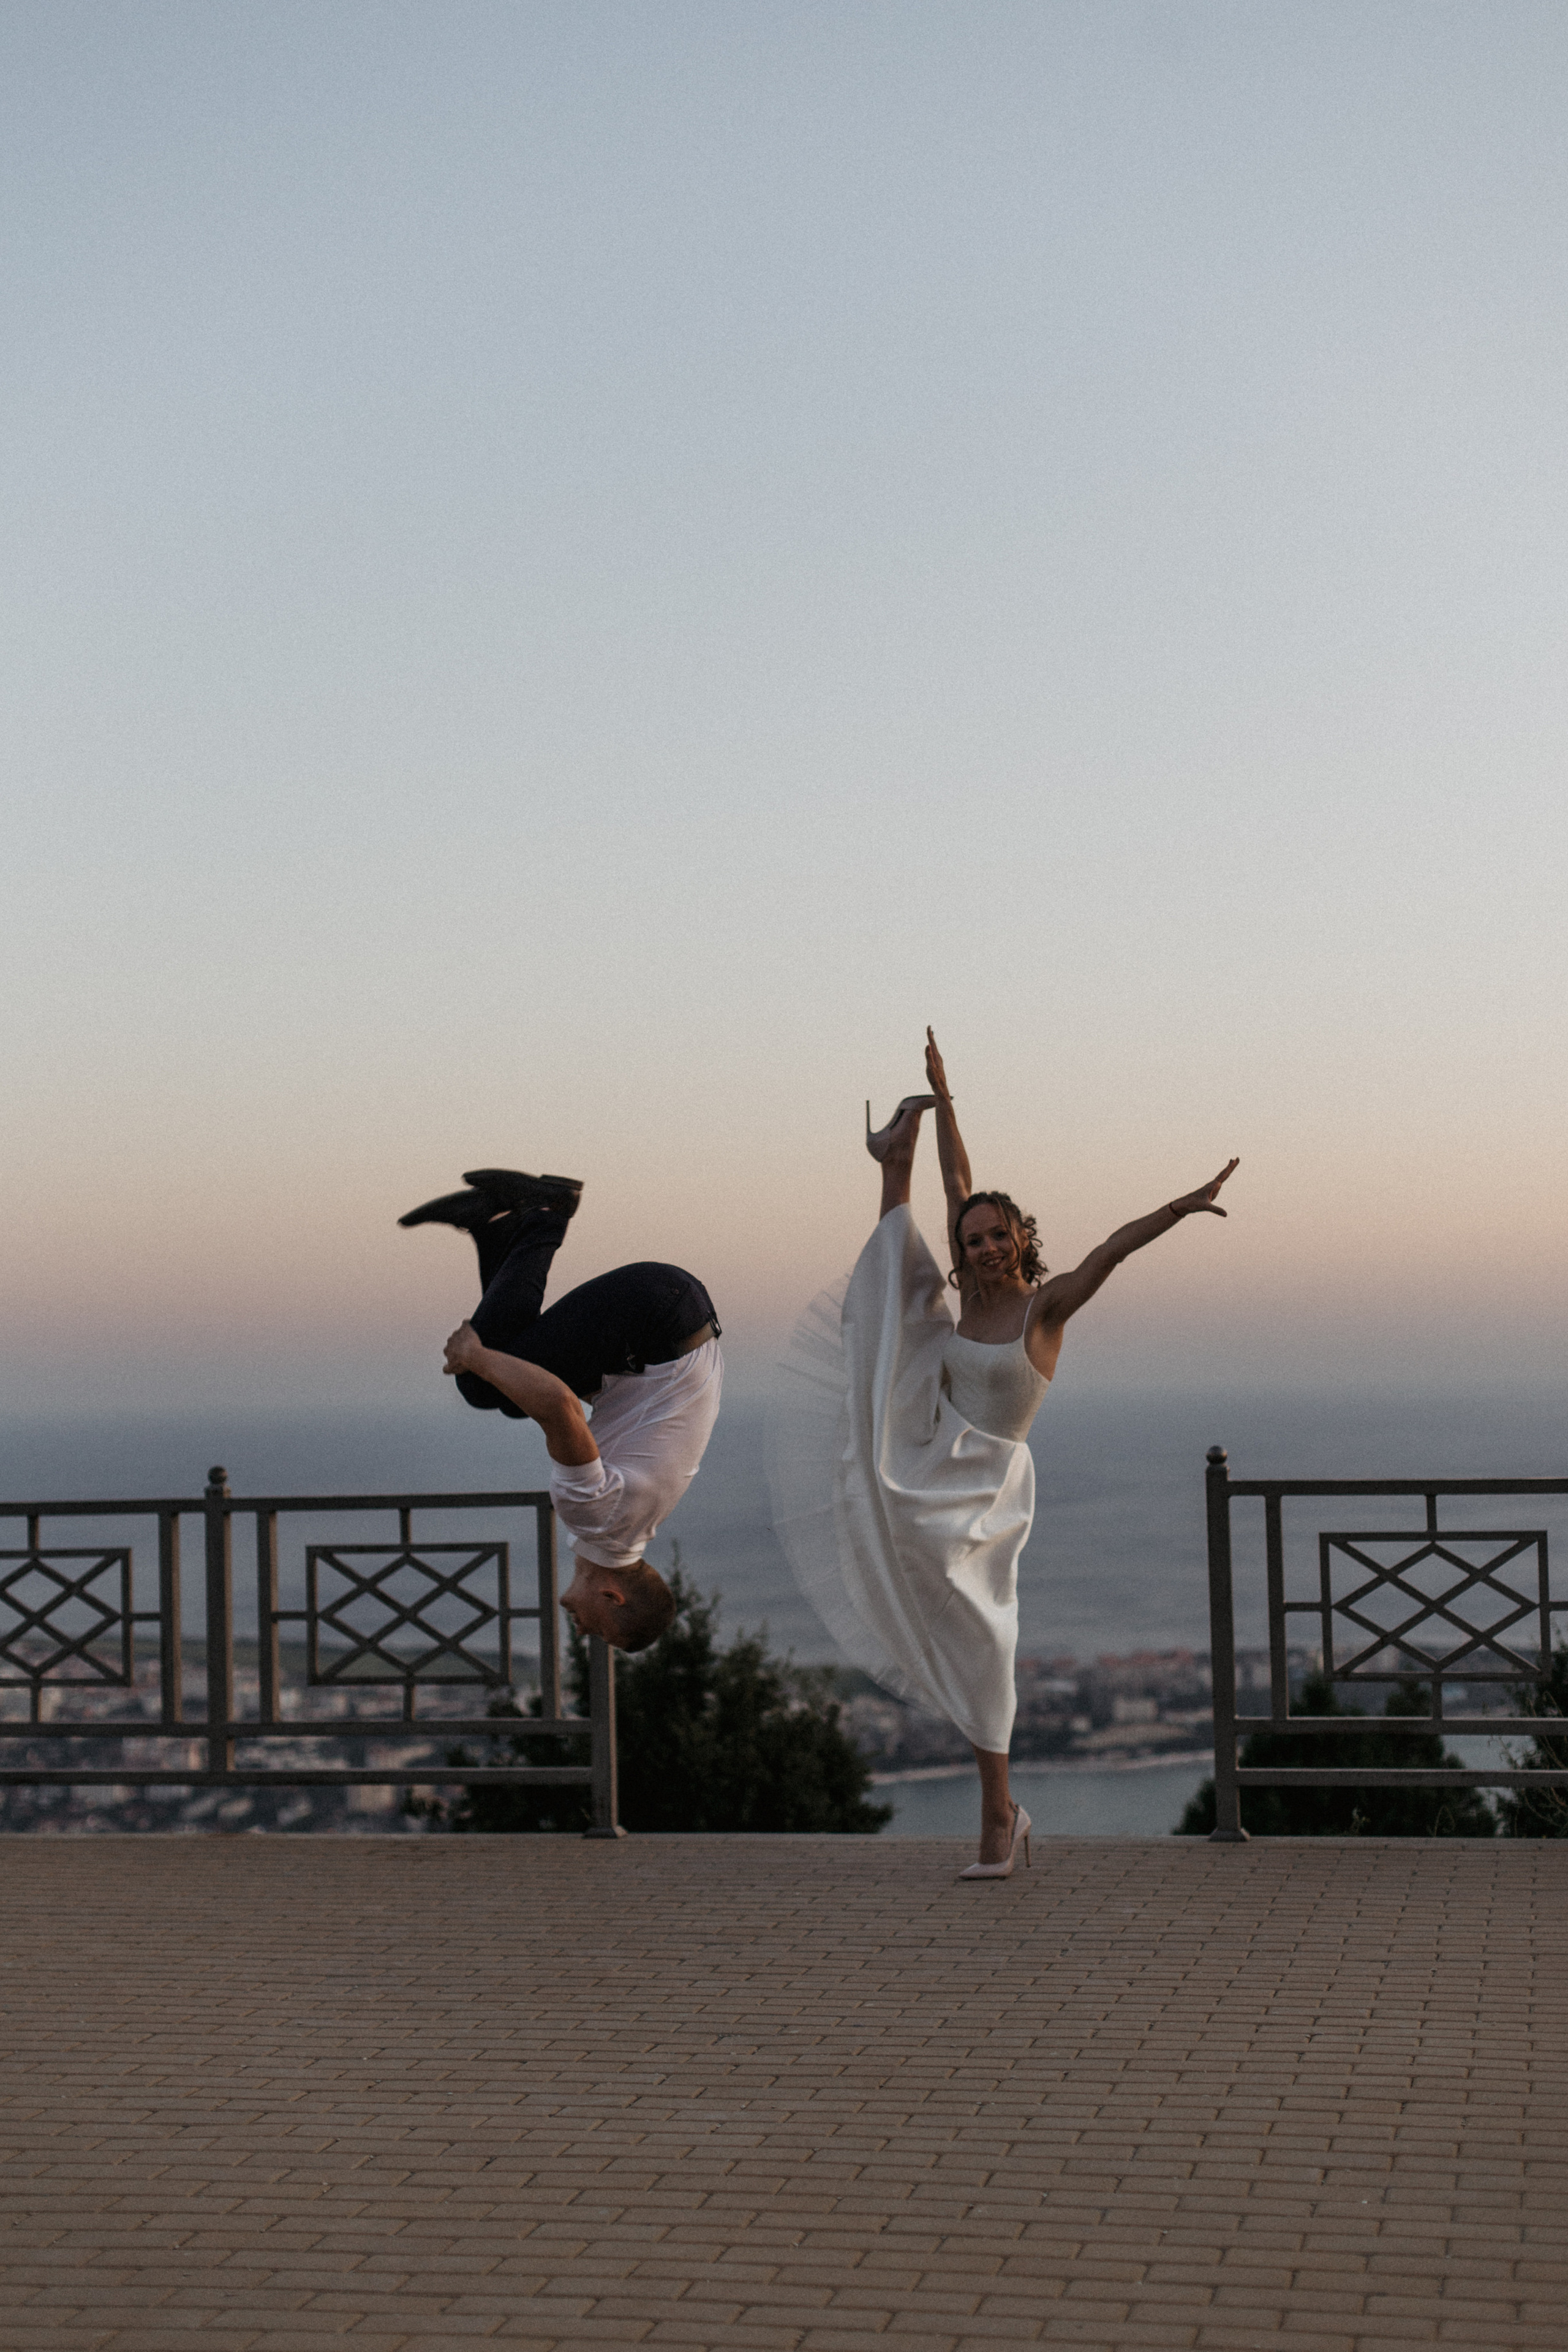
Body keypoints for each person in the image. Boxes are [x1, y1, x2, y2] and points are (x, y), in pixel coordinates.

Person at [766, 1032, 1237, 1877]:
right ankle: (892, 1165)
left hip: (991, 1490)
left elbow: (1110, 1252)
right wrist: (946, 1097)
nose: (984, 1247)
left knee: (989, 1646)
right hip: (932, 1471)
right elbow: (962, 1184)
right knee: (889, 1332)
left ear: (1022, 1236)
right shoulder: (962, 1304)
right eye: (973, 1238)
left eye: (997, 1235)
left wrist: (1184, 1205)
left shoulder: (1043, 1309)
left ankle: (999, 1817)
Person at [399, 1167, 722, 1653]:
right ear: (612, 1597)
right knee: (482, 1386)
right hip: (654, 1316)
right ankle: (546, 1212)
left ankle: (497, 1225)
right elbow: (559, 1406)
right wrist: (475, 1357)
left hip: (673, 1317)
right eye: (595, 1630)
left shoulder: (629, 1527)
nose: (582, 1630)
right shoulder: (595, 1518)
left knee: (509, 1397)